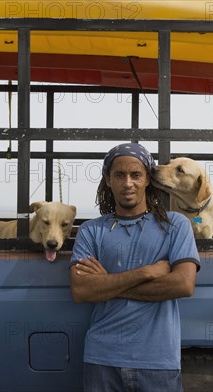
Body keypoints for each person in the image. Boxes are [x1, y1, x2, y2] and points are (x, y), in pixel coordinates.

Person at [70, 143, 200, 392]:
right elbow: (81, 291)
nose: (128, 183)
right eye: (119, 175)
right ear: (108, 180)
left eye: (136, 175)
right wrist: (145, 273)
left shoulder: (176, 225)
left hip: (158, 361)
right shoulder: (91, 231)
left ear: (147, 180)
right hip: (102, 359)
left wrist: (108, 283)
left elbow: (183, 284)